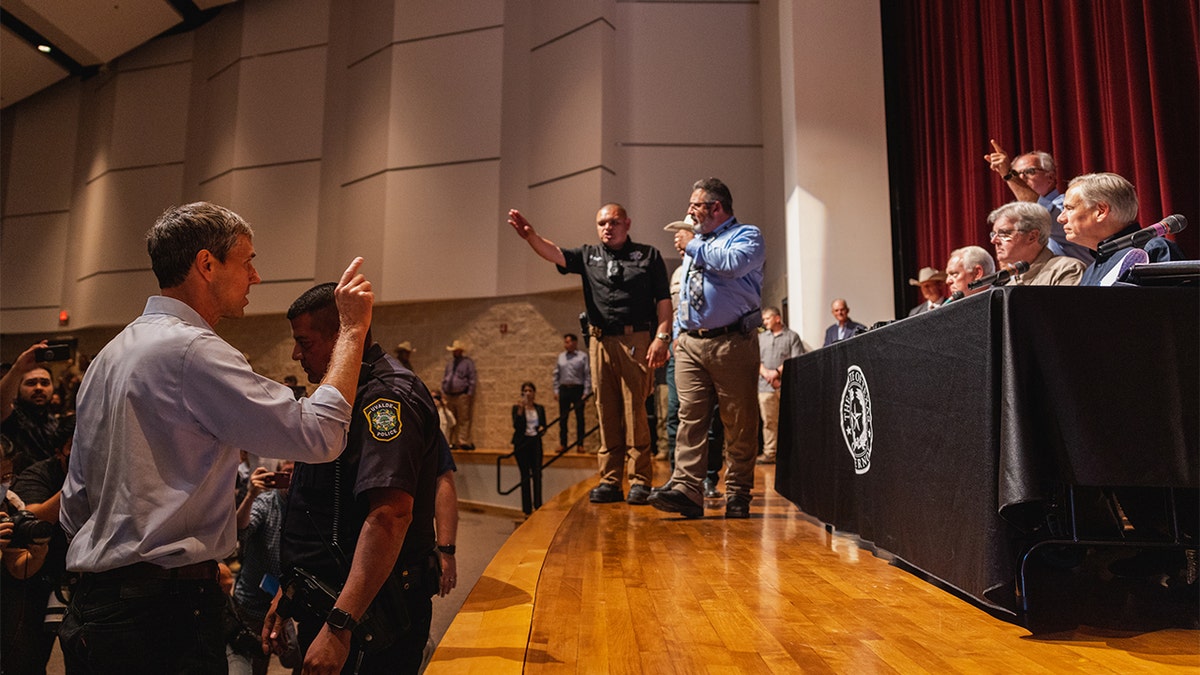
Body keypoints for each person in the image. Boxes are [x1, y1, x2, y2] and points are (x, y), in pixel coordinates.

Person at [58, 202, 374, 675]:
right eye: (246, 260)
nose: (255, 276)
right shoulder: (192, 350)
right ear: (207, 265)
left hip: (96, 607)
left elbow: (75, 503)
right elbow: (320, 434)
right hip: (160, 620)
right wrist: (351, 330)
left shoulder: (110, 354)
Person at [264, 281, 440, 675]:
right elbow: (322, 511)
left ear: (342, 338)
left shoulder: (385, 397)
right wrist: (286, 593)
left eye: (304, 342)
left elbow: (390, 517)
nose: (296, 354)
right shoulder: (338, 396)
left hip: (368, 617)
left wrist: (340, 626)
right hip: (332, 603)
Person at [507, 203, 671, 505]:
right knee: (606, 410)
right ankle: (610, 480)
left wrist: (662, 337)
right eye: (601, 223)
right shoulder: (588, 255)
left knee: (635, 409)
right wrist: (531, 236)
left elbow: (663, 299)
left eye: (614, 222)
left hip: (636, 338)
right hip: (599, 342)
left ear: (627, 224)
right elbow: (556, 253)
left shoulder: (648, 255)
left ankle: (639, 480)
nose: (607, 227)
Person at [648, 178, 765, 520]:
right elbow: (687, 292)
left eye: (694, 205)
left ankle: (739, 492)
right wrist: (680, 335)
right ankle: (687, 489)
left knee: (738, 422)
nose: (688, 211)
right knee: (690, 419)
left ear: (716, 207)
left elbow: (733, 264)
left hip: (732, 343)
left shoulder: (747, 236)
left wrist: (694, 245)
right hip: (691, 345)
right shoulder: (697, 244)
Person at [1059, 172, 1186, 286]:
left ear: (1101, 211)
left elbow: (1177, 307)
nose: (1060, 218)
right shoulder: (1090, 271)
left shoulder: (1153, 250)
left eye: (1069, 208)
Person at [231, 461, 293, 675]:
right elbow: (240, 532)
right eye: (286, 473)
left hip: (284, 603)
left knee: (294, 657)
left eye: (296, 474)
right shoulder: (265, 503)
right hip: (251, 604)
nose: (291, 479)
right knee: (252, 664)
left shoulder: (304, 508)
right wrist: (250, 495)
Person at [983, 140, 1092, 262]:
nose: (1021, 178)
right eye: (1016, 174)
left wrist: (1008, 175)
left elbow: (1042, 215)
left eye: (1029, 172)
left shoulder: (1068, 204)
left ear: (1050, 177)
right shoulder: (1018, 216)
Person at [1, 343, 64, 474]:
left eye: (45, 383)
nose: (39, 388)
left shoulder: (55, 423)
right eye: (31, 383)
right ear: (18, 388)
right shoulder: (12, 417)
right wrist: (18, 368)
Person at [987, 201, 1085, 286]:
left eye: (1004, 233)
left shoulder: (1066, 269)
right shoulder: (1010, 285)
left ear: (1032, 236)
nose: (994, 241)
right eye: (993, 234)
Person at [757, 307, 805, 465]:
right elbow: (756, 360)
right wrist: (767, 374)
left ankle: (791, 453)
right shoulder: (760, 338)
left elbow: (796, 358)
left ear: (777, 318)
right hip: (765, 387)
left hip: (786, 387)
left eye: (767, 318)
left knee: (789, 420)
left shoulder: (792, 336)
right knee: (769, 422)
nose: (764, 322)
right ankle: (770, 453)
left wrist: (777, 373)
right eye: (763, 319)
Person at [511, 382, 547, 515]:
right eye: (525, 391)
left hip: (535, 443)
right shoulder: (517, 408)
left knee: (537, 474)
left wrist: (543, 429)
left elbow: (544, 425)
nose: (527, 393)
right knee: (525, 476)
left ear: (534, 393)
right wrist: (520, 411)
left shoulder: (540, 408)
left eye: (530, 390)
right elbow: (516, 426)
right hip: (522, 444)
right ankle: (526, 509)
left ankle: (538, 506)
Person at [552, 333, 591, 452]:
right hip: (564, 389)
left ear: (575, 343)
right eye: (565, 342)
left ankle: (580, 445)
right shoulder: (561, 357)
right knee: (563, 418)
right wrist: (556, 390)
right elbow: (556, 374)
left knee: (580, 418)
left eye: (568, 342)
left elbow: (587, 375)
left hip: (577, 389)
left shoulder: (582, 356)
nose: (566, 344)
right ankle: (563, 444)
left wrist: (586, 392)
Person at [440, 340, 477, 450]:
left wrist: (469, 393)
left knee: (463, 418)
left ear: (460, 351)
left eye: (456, 350)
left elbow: (472, 378)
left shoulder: (467, 363)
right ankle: (450, 441)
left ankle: (462, 441)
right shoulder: (450, 364)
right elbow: (445, 377)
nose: (454, 352)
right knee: (450, 419)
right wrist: (443, 391)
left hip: (461, 394)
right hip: (449, 394)